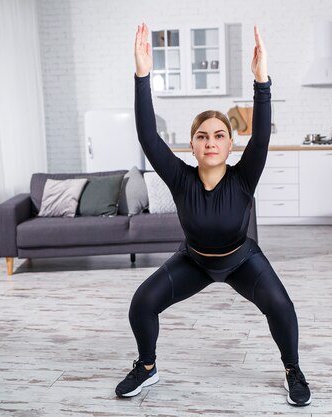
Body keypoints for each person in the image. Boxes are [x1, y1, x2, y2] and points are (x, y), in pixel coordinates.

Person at [115, 22, 311, 407]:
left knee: (282, 308)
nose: (211, 141)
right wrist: (142, 74)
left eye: (219, 134)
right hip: (196, 261)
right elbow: (148, 137)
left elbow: (262, 137)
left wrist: (262, 81)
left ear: (229, 144)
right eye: (203, 135)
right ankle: (148, 367)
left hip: (242, 261)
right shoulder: (179, 178)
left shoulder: (244, 176)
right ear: (192, 145)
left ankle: (292, 370)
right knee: (141, 303)